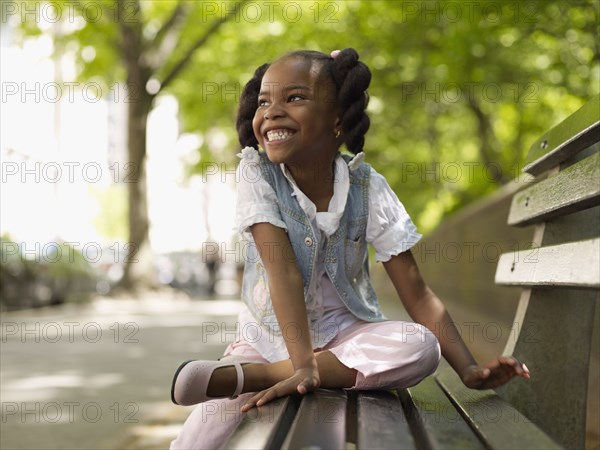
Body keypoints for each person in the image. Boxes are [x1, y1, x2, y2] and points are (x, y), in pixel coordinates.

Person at [169, 48, 530, 449]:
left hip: (348, 338)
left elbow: (418, 293)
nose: (271, 111)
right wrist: (302, 363)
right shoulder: (257, 174)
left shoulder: (367, 185)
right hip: (267, 337)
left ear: (338, 118)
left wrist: (468, 370)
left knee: (421, 346)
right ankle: (266, 368)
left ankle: (259, 376)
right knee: (198, 440)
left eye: (294, 98)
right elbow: (282, 272)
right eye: (264, 101)